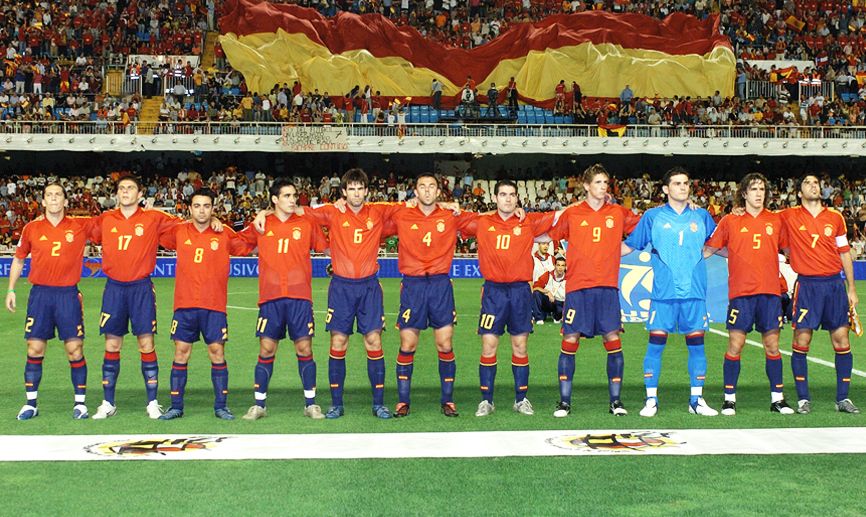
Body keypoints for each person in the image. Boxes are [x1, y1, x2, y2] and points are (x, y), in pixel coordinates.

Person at [299, 169, 403, 419]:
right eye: (351, 189)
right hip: (341, 288)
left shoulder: (378, 211)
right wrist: (264, 212)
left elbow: (413, 206)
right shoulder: (333, 212)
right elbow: (300, 212)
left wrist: (447, 204)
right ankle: (337, 404)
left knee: (374, 342)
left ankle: (378, 404)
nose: (356, 193)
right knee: (338, 343)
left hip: (369, 287)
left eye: (360, 189)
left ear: (366, 191)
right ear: (343, 192)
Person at [88, 175, 190, 419]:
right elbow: (78, 228)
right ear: (116, 194)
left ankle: (152, 402)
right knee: (112, 344)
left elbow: (187, 225)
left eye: (130, 188)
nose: (125, 191)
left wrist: (216, 222)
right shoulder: (105, 219)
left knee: (146, 344)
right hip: (114, 288)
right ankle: (108, 403)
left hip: (141, 288)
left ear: (140, 193)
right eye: (121, 188)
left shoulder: (153, 218)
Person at [622, 167, 719, 417]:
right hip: (663, 294)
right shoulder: (652, 217)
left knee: (697, 346)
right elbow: (629, 246)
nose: (683, 187)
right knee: (655, 346)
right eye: (676, 183)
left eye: (686, 183)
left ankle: (696, 400)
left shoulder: (703, 216)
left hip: (694, 293)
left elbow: (721, 243)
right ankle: (651, 400)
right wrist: (594, 252)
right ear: (666, 189)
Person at [548, 164, 640, 417]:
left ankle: (616, 402)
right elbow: (550, 232)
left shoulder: (618, 212)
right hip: (578, 287)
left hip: (607, 287)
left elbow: (645, 227)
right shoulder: (573, 213)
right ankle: (564, 401)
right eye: (598, 182)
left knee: (612, 339)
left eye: (605, 183)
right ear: (587, 185)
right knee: (570, 339)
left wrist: (625, 248)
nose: (603, 187)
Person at [157, 188, 254, 420]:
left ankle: (221, 406)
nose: (202, 210)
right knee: (181, 353)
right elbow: (155, 226)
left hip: (214, 305)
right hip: (184, 303)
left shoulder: (224, 233)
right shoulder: (179, 231)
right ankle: (176, 406)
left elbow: (248, 241)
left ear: (213, 208)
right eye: (197, 205)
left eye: (207, 206)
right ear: (190, 208)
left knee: (217, 352)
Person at [462, 180, 556, 417]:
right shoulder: (482, 222)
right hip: (493, 292)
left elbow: (559, 216)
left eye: (512, 195)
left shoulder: (528, 222)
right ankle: (486, 400)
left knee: (520, 346)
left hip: (520, 292)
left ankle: (521, 399)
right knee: (489, 345)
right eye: (503, 194)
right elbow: (451, 216)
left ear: (517, 198)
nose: (507, 199)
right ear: (495, 198)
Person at [704, 173, 795, 415]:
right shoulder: (729, 221)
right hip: (741, 293)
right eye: (753, 189)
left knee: (773, 345)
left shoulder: (775, 221)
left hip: (770, 293)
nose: (758, 193)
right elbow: (709, 249)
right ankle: (729, 399)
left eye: (762, 189)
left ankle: (777, 399)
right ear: (743, 193)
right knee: (736, 344)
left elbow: (790, 251)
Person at [241, 179, 329, 420]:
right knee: (267, 348)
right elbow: (236, 244)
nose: (293, 200)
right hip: (270, 298)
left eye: (294, 195)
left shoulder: (307, 222)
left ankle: (311, 404)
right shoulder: (261, 224)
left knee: (304, 347)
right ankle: (259, 405)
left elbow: (327, 248)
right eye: (287, 196)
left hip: (300, 296)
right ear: (275, 200)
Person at [6, 183, 93, 420]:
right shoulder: (31, 228)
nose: (54, 198)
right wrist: (11, 289)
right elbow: (18, 259)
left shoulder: (79, 226)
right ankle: (31, 403)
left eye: (58, 195)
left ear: (66, 201)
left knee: (74, 349)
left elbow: (112, 225)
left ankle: (80, 404)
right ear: (43, 202)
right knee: (35, 348)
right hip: (40, 295)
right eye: (49, 195)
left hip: (67, 295)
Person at [391, 174, 475, 417]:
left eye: (431, 187)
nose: (427, 191)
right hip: (413, 285)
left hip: (440, 285)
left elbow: (484, 221)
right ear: (415, 191)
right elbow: (372, 215)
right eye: (422, 187)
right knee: (408, 343)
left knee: (445, 343)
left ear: (439, 192)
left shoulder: (451, 215)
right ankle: (403, 400)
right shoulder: (401, 214)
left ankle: (448, 400)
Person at [781, 174, 859, 414]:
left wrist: (851, 288)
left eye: (816, 183)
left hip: (834, 286)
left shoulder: (835, 217)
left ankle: (843, 399)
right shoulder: (788, 215)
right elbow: (760, 216)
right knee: (801, 341)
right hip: (807, 286)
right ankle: (803, 399)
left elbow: (844, 252)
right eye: (807, 183)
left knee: (842, 341)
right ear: (799, 192)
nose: (814, 186)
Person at [531, 256, 566, 324]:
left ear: (565, 267)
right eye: (558, 265)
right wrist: (547, 292)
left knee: (558, 316)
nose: (560, 268)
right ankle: (539, 318)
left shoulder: (569, 278)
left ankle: (555, 315)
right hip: (549, 301)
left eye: (563, 265)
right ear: (554, 266)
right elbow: (535, 287)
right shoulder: (548, 275)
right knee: (537, 293)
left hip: (561, 303)